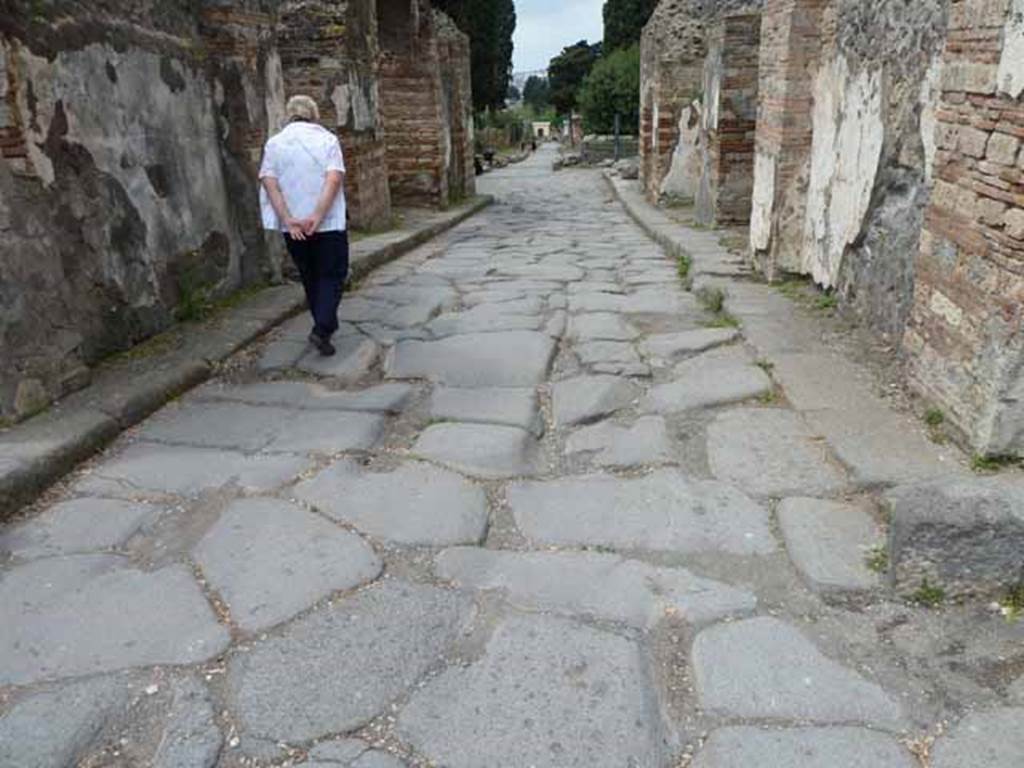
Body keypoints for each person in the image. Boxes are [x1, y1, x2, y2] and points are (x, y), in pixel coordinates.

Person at [259, 95, 347, 356]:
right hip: (328, 224)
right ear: (314, 115)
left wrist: (287, 218)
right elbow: (333, 179)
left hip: (294, 226)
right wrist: (318, 216)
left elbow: (269, 181)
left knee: (310, 275)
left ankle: (323, 325)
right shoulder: (327, 140)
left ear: (289, 115)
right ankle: (322, 329)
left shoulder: (274, 144)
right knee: (332, 274)